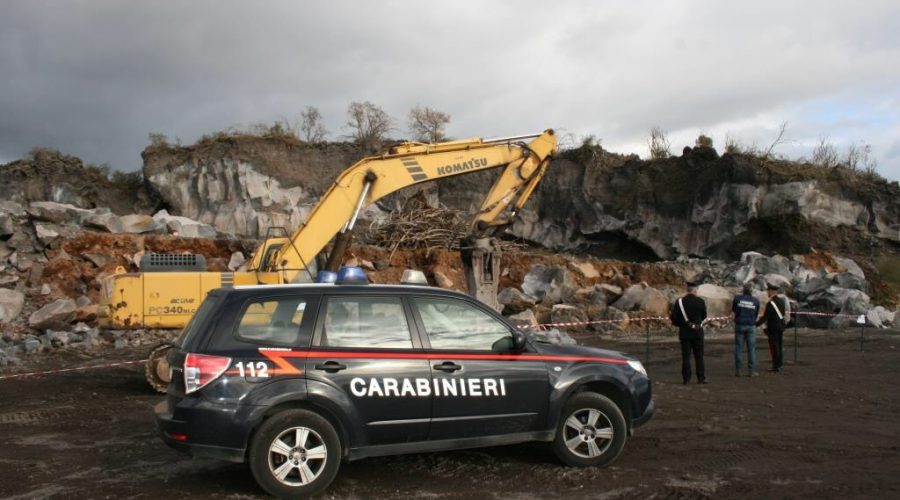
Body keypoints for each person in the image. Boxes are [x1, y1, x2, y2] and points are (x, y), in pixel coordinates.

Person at [670, 281, 708, 384]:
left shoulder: (680, 302)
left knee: (686, 356)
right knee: (699, 356)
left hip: (684, 333)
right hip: (698, 332)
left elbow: (674, 318)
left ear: (687, 290)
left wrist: (682, 325)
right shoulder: (701, 302)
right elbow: (704, 315)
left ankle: (686, 378)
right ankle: (701, 378)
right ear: (695, 290)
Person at [757, 284, 788, 372]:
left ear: (771, 291)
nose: (767, 292)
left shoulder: (770, 303)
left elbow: (766, 317)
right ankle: (780, 364)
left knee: (774, 347)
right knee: (779, 345)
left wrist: (755, 324)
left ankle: (776, 366)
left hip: (773, 327)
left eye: (768, 291)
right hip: (781, 326)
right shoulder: (781, 301)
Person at [732, 284, 760, 377]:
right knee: (751, 349)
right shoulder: (756, 301)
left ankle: (738, 370)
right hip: (751, 326)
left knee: (738, 348)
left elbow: (734, 310)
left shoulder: (737, 298)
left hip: (740, 325)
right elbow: (756, 314)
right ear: (751, 291)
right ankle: (751, 371)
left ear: (743, 290)